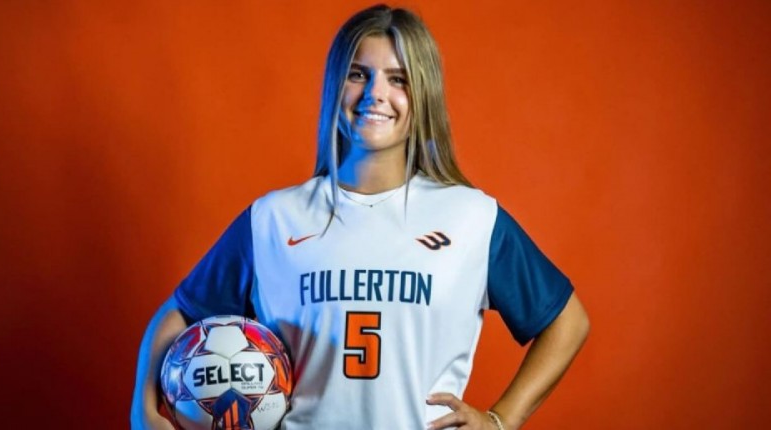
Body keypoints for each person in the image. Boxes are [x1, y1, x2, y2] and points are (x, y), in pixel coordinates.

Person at [131, 4, 589, 430]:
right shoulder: (274, 219)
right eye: (358, 74)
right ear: (336, 85)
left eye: (398, 78)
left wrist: (500, 419)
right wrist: (143, 410)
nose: (375, 93)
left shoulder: (471, 217)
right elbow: (180, 314)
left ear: (423, 94)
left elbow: (568, 322)